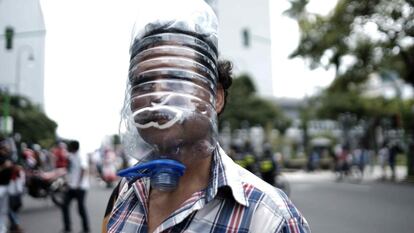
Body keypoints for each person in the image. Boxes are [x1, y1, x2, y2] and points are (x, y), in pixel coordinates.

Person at [102, 0, 310, 232]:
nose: (158, 94)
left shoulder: (269, 217)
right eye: (143, 83)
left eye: (176, 78)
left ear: (216, 96)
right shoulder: (125, 192)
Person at [61, 140, 90, 233]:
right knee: (64, 205)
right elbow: (70, 170)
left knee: (81, 208)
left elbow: (83, 169)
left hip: (80, 187)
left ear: (73, 147)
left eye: (70, 146)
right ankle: (67, 227)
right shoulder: (72, 155)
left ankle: (86, 229)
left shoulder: (81, 156)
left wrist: (78, 183)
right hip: (72, 186)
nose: (68, 148)